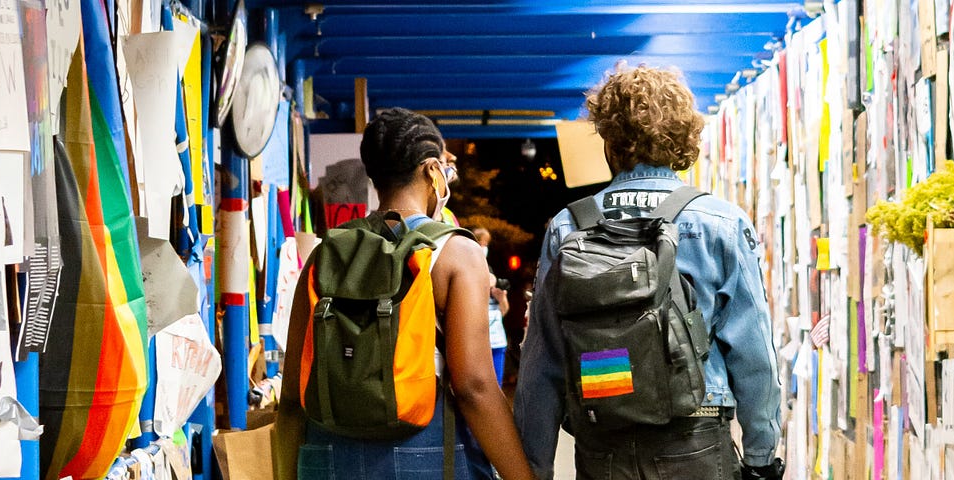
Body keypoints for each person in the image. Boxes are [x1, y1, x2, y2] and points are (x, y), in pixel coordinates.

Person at [515, 66, 785, 479]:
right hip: (696, 437)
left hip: (602, 444)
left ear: (608, 140)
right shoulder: (720, 222)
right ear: (683, 136)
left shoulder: (568, 227)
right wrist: (761, 457)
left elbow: (543, 364)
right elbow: (754, 357)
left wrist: (534, 467)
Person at [274, 108, 535, 480]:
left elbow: (291, 400)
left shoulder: (325, 255)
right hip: (427, 459)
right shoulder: (456, 253)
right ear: (432, 170)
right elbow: (473, 387)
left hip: (327, 461)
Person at [470, 227, 511, 383]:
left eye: (486, 243)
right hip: (477, 341)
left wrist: (501, 299)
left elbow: (504, 311)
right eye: (480, 243)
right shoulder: (466, 271)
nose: (484, 247)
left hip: (497, 339)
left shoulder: (491, 270)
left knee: (496, 383)